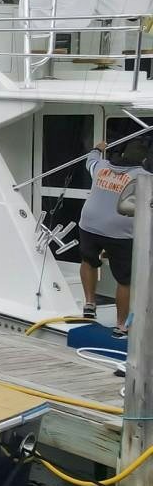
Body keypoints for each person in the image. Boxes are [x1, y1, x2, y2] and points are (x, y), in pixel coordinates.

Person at [79, 137, 149, 337]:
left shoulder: (101, 166)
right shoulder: (143, 175)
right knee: (124, 280)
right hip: (120, 233)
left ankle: (89, 304)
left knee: (88, 261)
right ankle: (121, 326)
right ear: (144, 160)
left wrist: (97, 148)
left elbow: (89, 159)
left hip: (90, 224)